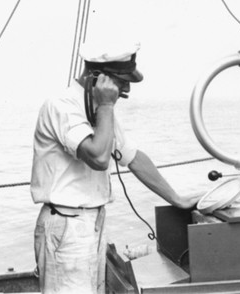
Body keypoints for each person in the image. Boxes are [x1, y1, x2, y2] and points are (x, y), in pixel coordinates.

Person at [30, 40, 202, 294]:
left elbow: (133, 158)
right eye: (121, 81)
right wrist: (107, 106)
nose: (126, 89)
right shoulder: (62, 106)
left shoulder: (100, 111)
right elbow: (99, 158)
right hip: (67, 224)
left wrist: (177, 199)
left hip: (90, 222)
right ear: (97, 78)